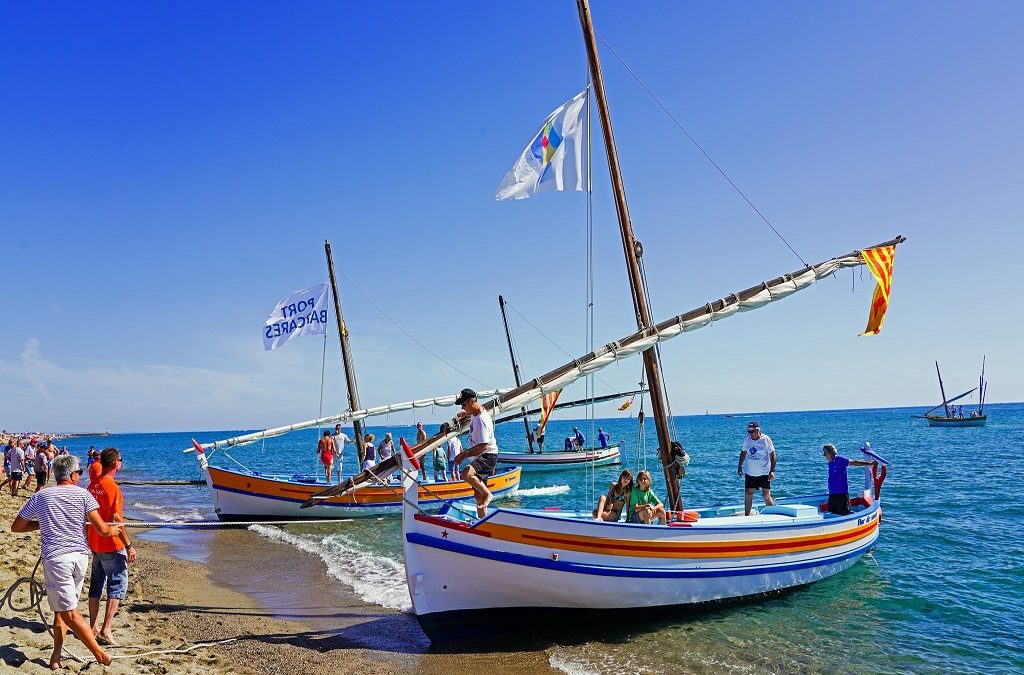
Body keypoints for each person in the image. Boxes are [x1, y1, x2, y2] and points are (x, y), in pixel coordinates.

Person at [11, 454, 122, 669]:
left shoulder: (41, 497)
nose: (80, 476)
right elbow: (102, 528)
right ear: (72, 475)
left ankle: (98, 654)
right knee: (64, 610)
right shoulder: (84, 495)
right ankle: (57, 656)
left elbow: (16, 527)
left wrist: (42, 523)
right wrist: (113, 530)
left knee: (67, 610)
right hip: (79, 558)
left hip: (57, 559)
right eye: (79, 473)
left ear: (54, 473)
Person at [87, 448, 136, 645]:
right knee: (116, 585)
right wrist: (129, 545)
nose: (121, 463)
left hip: (95, 542)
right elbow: (117, 520)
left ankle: (93, 626)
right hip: (110, 543)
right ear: (115, 463)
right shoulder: (111, 487)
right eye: (121, 460)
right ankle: (106, 630)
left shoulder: (92, 485)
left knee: (96, 585)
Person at [452, 388, 499, 518]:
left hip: (488, 456)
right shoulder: (475, 412)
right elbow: (476, 410)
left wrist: (463, 454)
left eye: (464, 404)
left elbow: (484, 446)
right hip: (482, 456)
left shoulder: (481, 420)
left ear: (472, 401)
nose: (462, 406)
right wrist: (465, 414)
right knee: (478, 496)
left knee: (466, 473)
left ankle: (488, 494)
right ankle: (483, 524)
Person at [822, 444, 878, 515]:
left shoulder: (840, 460)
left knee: (845, 513)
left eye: (825, 453)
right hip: (832, 494)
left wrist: (870, 463)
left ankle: (858, 518)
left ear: (830, 453)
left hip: (841, 494)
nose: (824, 456)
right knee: (832, 513)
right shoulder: (830, 463)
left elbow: (854, 462)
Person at [737, 420, 776, 516]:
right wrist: (739, 466)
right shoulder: (747, 440)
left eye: (752, 431)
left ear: (758, 430)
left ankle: (773, 515)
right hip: (750, 473)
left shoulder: (766, 439)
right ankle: (747, 517)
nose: (750, 434)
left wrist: (772, 471)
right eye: (748, 431)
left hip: (764, 473)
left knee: (766, 495)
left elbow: (773, 454)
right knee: (748, 494)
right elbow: (743, 453)